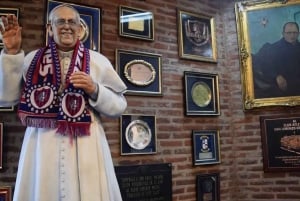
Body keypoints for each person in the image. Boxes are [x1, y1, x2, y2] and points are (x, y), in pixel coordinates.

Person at [0, 4, 127, 201]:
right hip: (41, 143)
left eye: (72, 22)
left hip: (87, 143)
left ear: (80, 29)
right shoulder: (32, 59)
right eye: (60, 22)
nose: (66, 27)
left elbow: (119, 106)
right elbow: (7, 98)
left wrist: (95, 89)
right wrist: (12, 53)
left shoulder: (98, 61)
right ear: (49, 29)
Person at [252, 21, 300, 98]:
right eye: (289, 33)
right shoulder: (274, 48)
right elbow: (266, 66)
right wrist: (276, 76)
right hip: (280, 87)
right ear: (283, 34)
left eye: (295, 32)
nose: (292, 35)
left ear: (298, 33)